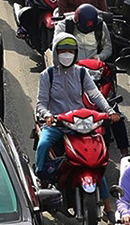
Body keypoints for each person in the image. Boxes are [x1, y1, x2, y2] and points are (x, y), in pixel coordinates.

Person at [34, 33, 116, 182]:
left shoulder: (81, 73)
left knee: (95, 158)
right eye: (63, 51)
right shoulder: (47, 75)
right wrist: (47, 115)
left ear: (76, 53)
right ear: (56, 53)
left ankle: (104, 194)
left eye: (70, 51)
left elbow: (95, 95)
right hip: (56, 123)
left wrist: (110, 111)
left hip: (79, 123)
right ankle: (40, 177)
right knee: (43, 144)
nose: (67, 55)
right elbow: (41, 102)